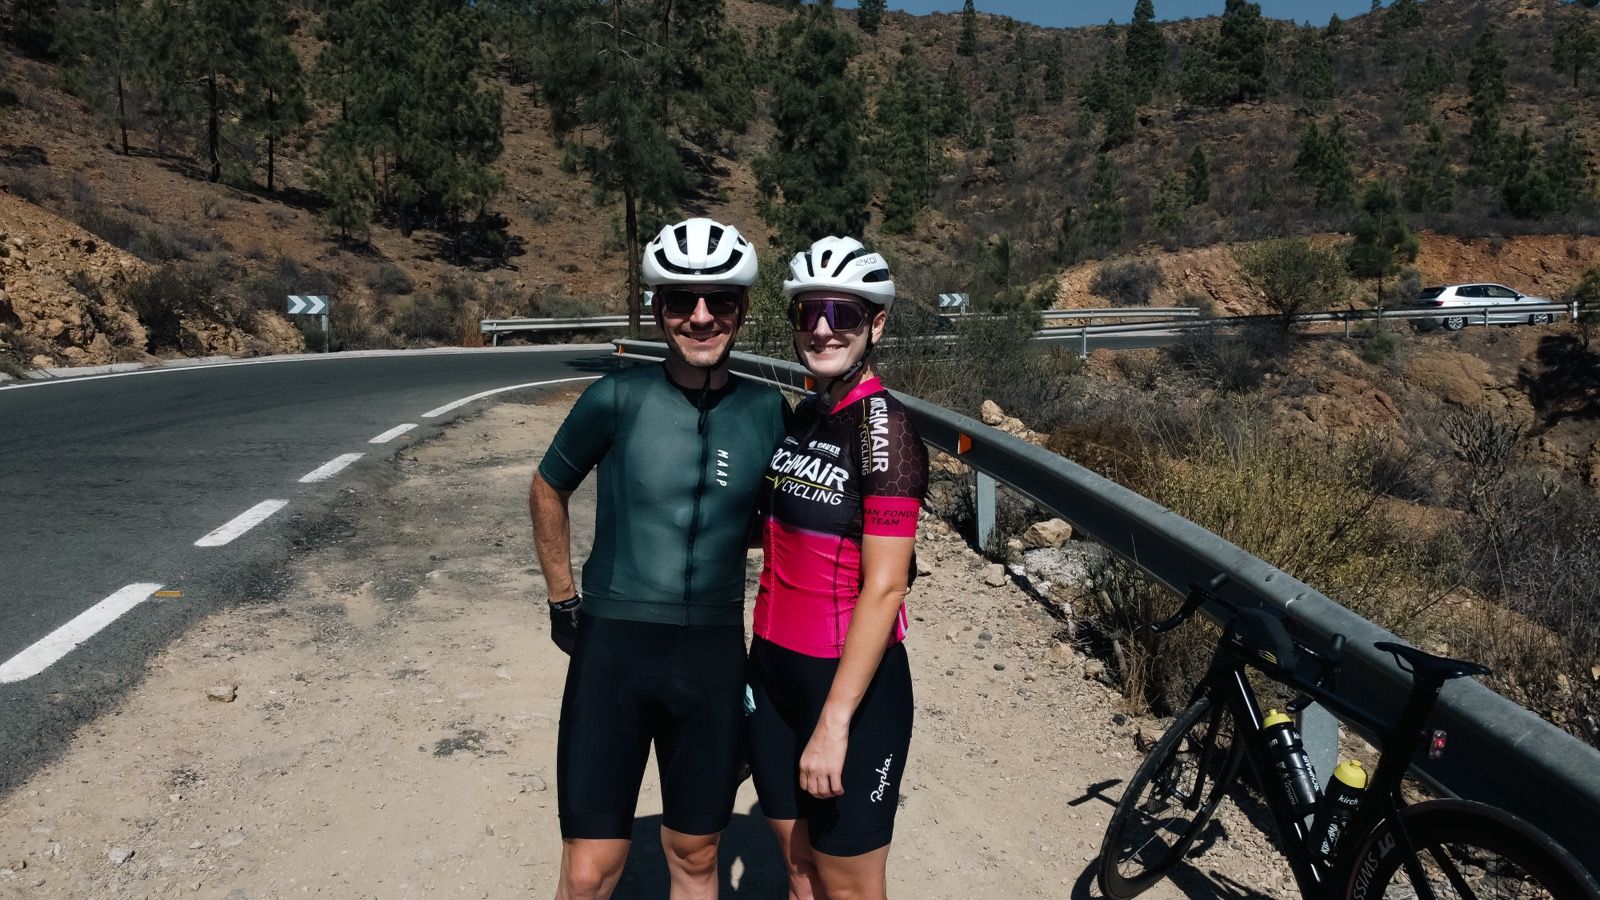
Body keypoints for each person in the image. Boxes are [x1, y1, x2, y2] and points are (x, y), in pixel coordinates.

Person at [528, 217, 788, 900]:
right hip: (614, 647)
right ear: (657, 309)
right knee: (589, 871)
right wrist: (561, 598)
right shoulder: (615, 397)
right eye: (681, 301)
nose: (700, 317)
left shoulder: (768, 410)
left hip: (712, 652)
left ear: (742, 309)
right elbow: (548, 485)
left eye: (719, 300)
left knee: (697, 859)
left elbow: (785, 520)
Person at [747, 237, 928, 900]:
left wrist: (834, 722)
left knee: (848, 887)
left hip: (849, 689)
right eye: (808, 313)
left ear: (875, 324)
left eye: (842, 314)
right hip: (771, 673)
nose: (822, 329)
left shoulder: (886, 429)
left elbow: (887, 585)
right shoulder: (807, 415)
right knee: (798, 872)